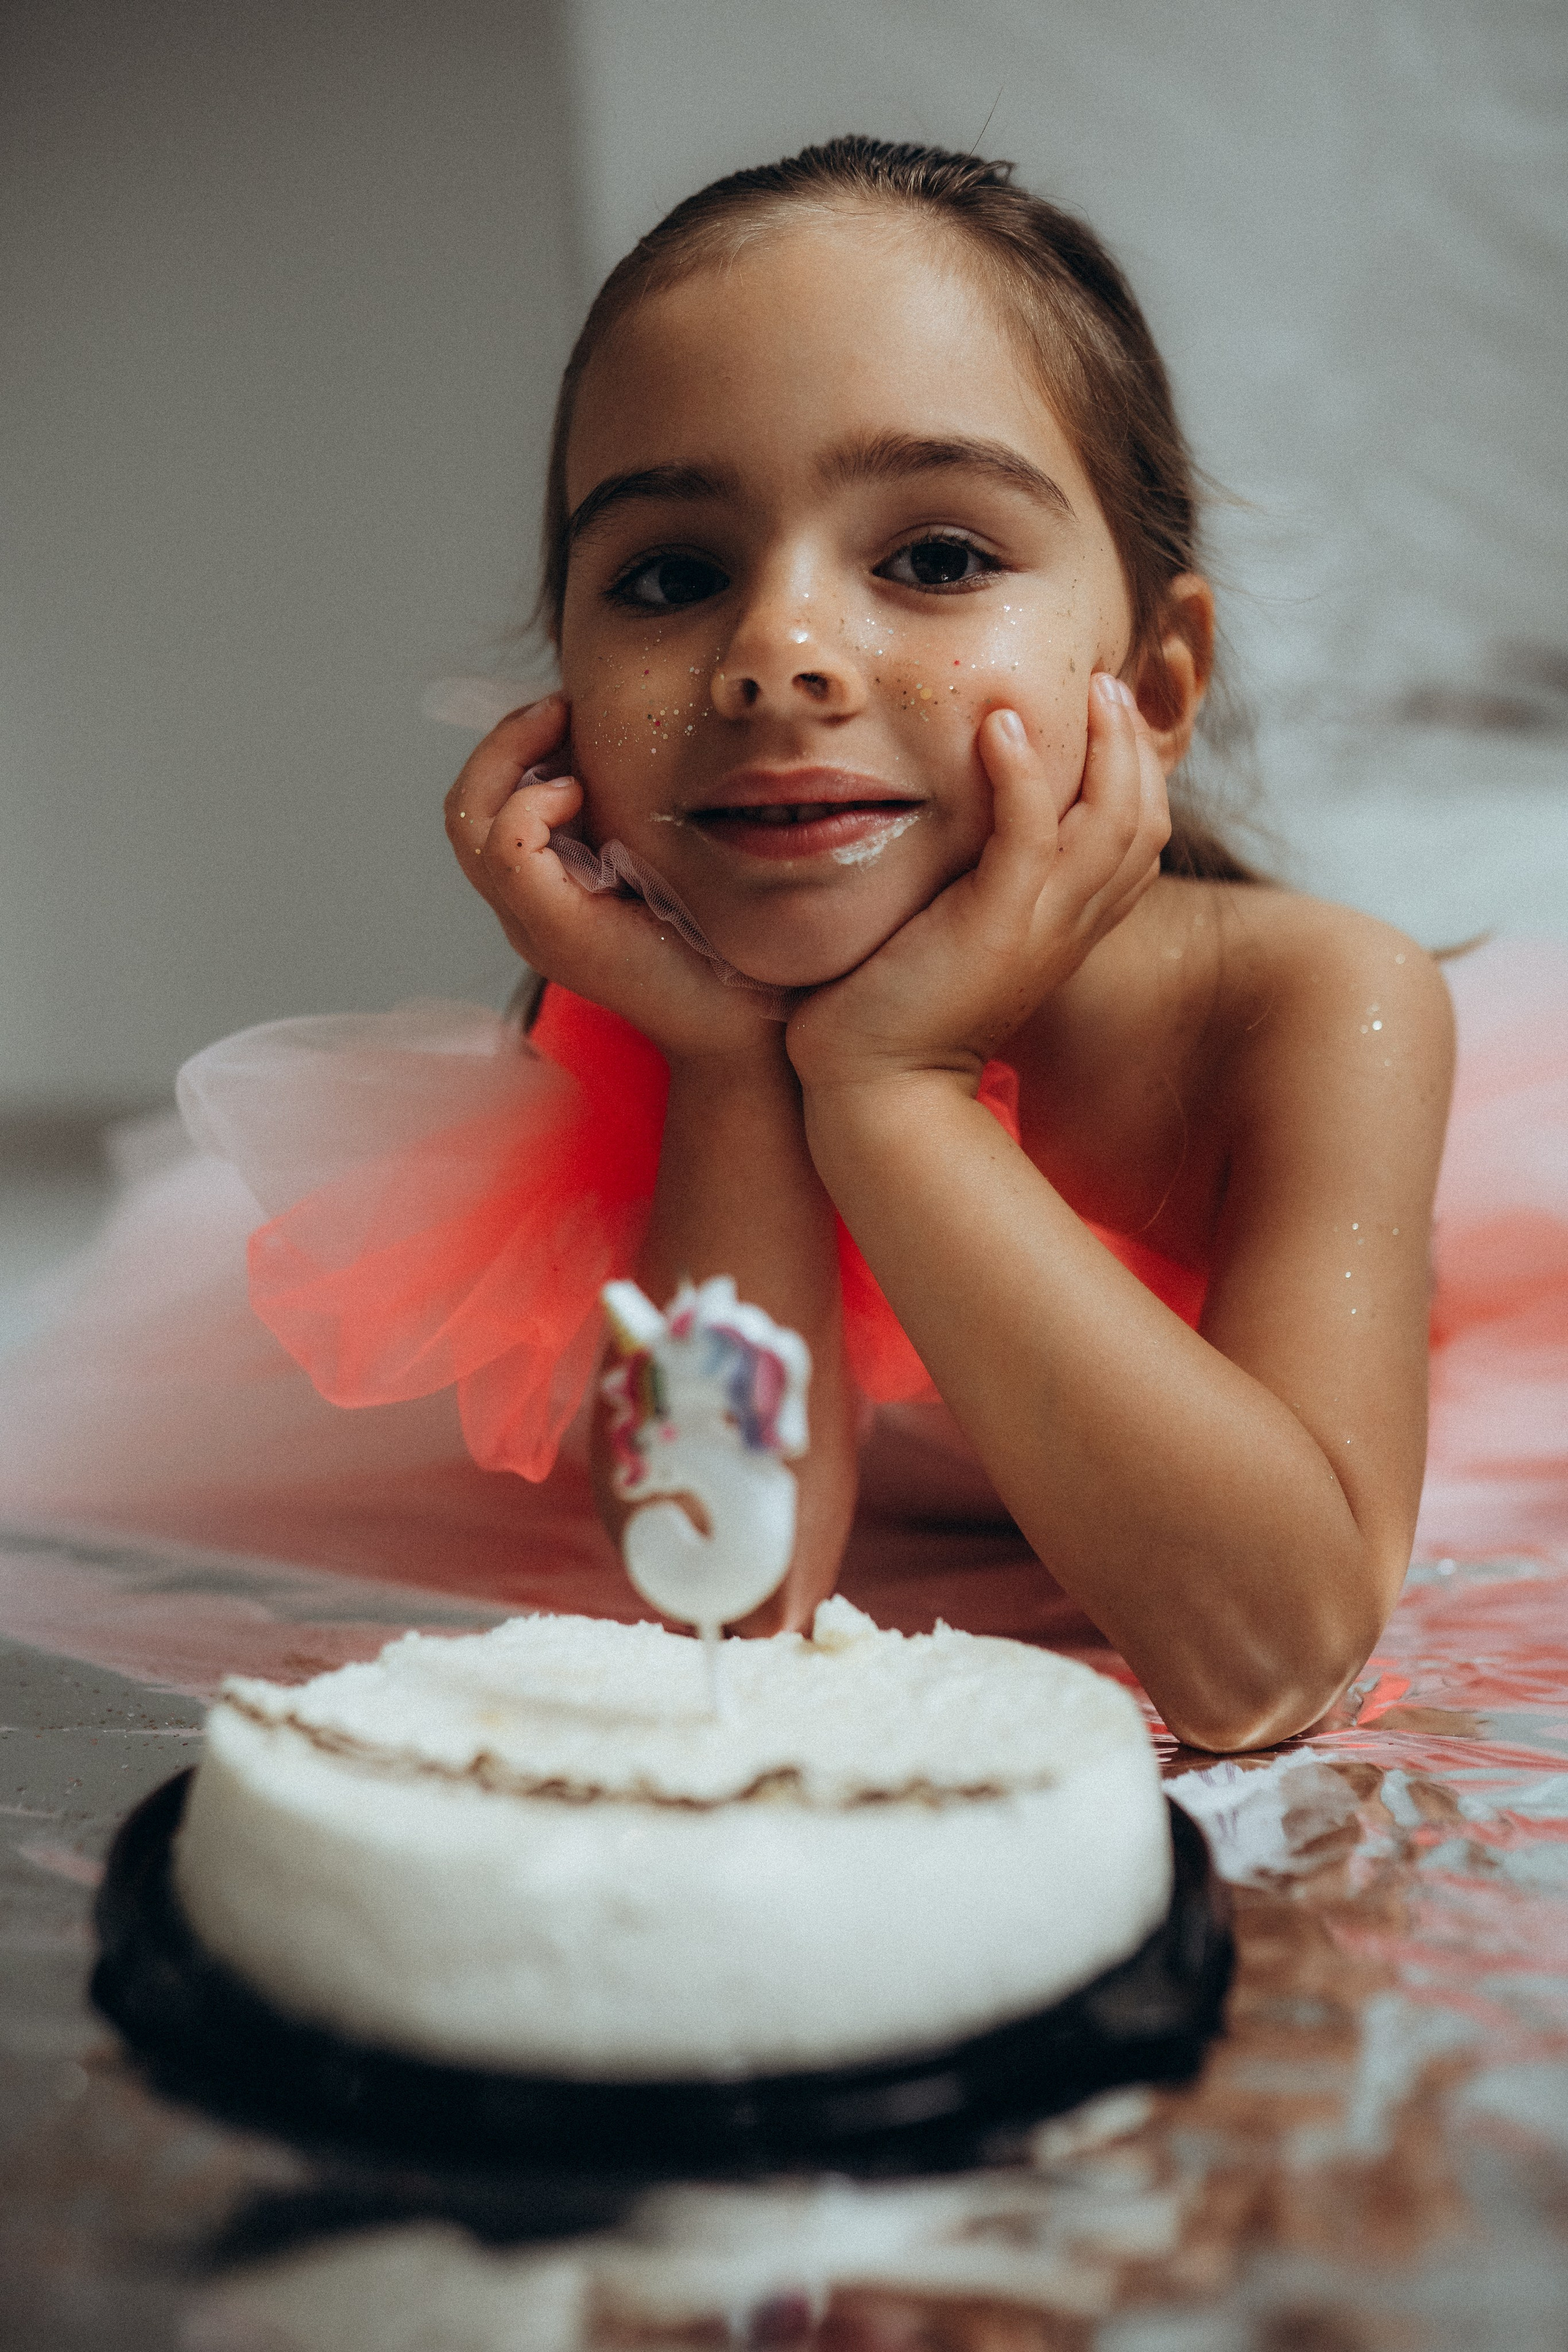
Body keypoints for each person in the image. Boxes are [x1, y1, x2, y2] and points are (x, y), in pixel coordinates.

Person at [5, 143, 1561, 1750]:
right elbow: (731, 1605)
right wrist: (734, 1066)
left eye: (937, 559)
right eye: (672, 576)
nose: (775, 657)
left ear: (1156, 688)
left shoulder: (1303, 1006)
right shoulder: (659, 1001)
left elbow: (1271, 1664)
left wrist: (894, 1089)